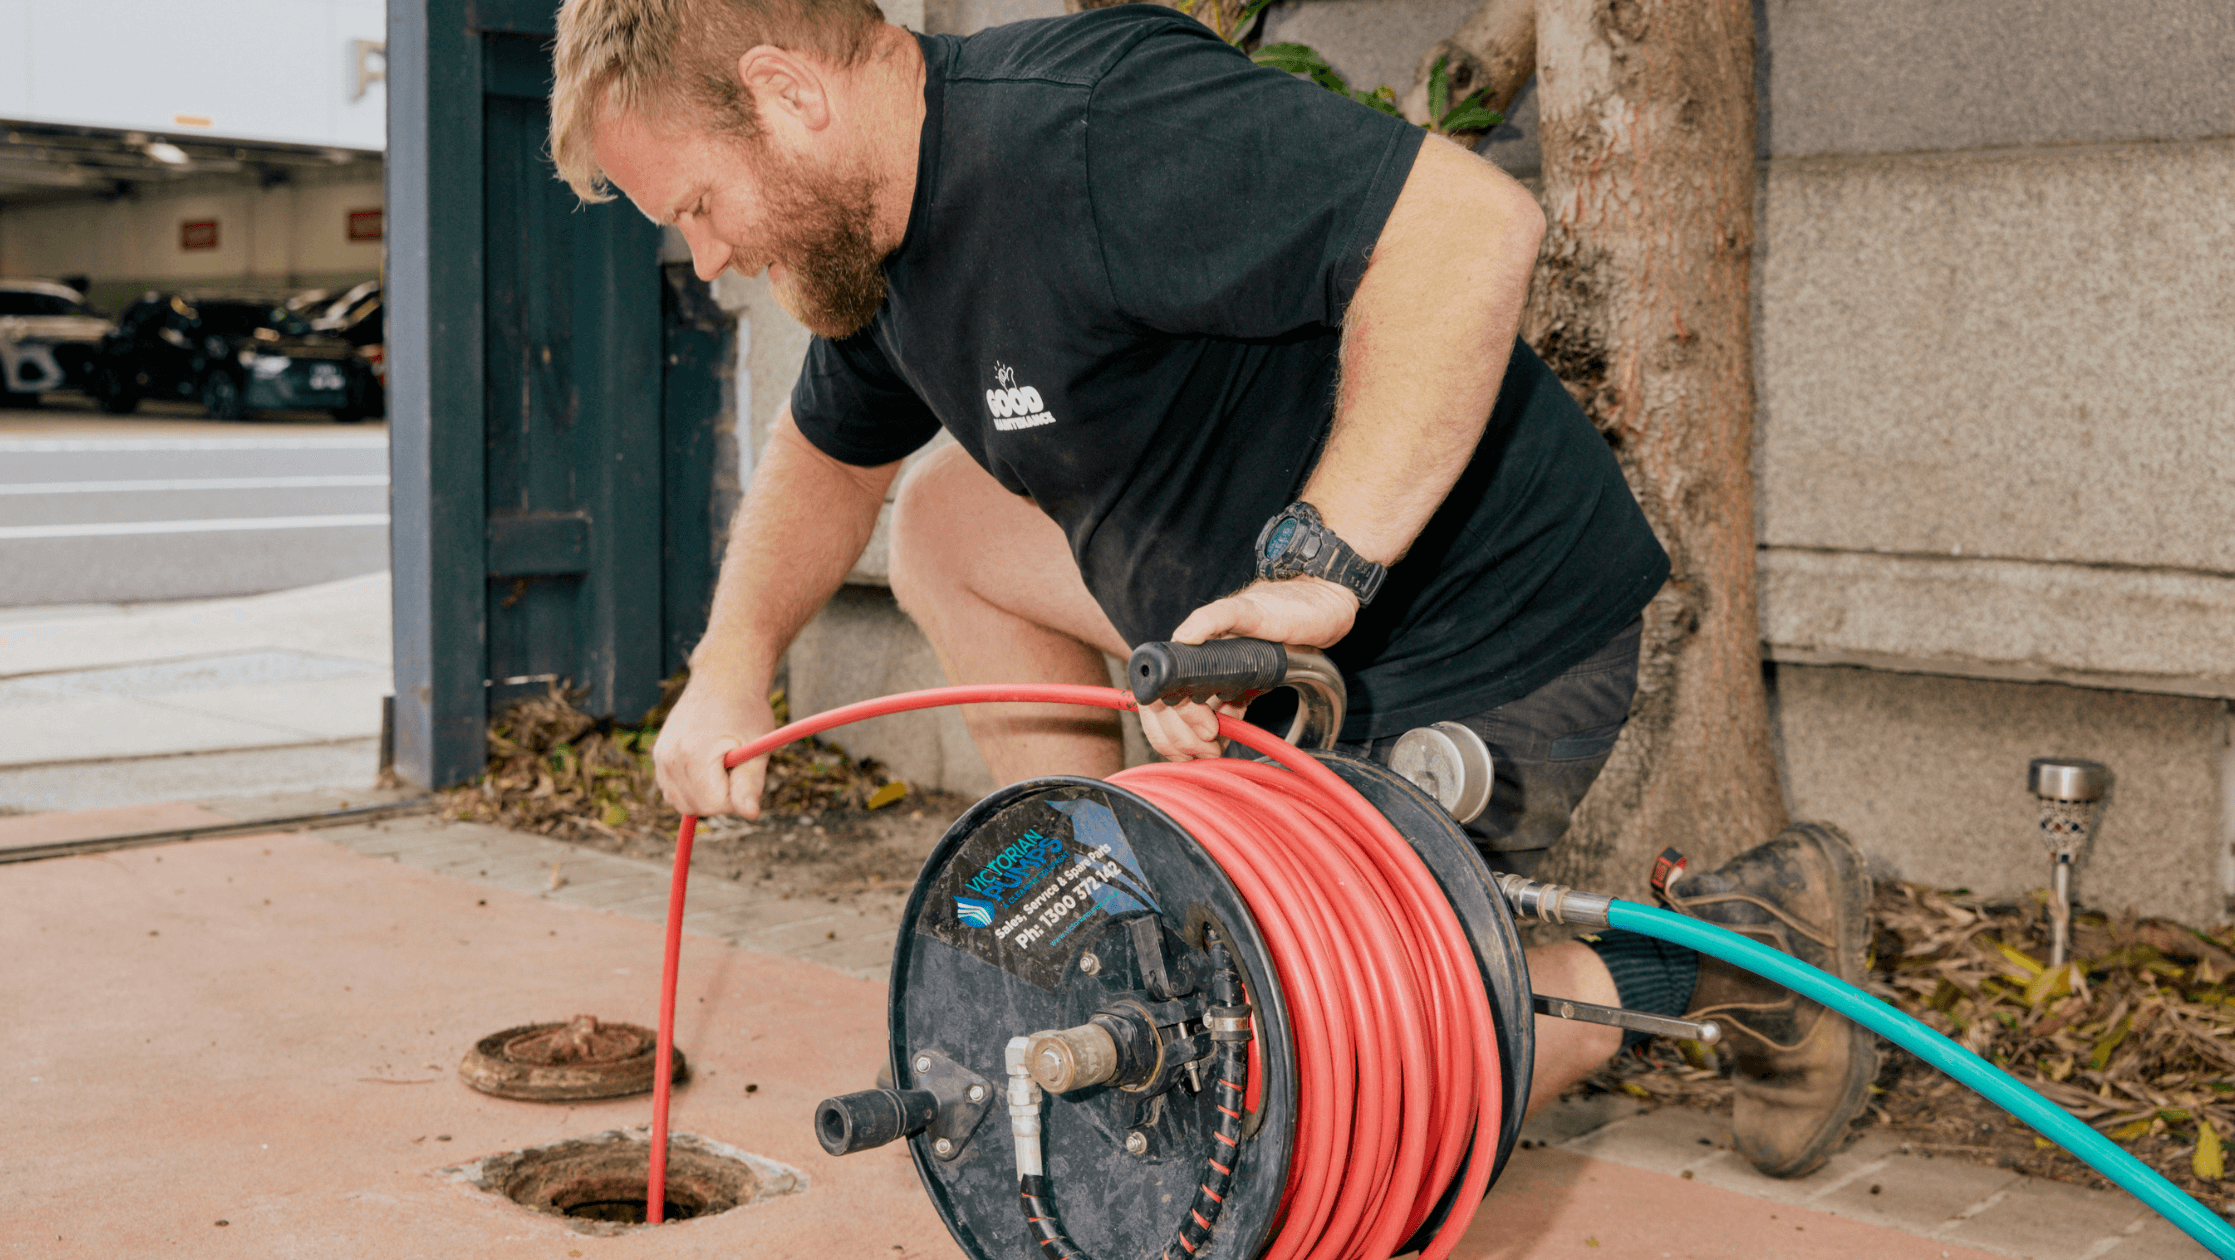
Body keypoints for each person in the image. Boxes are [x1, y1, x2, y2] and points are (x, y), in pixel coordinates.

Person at [550, 0, 1875, 1178]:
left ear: (789, 96)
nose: (709, 258)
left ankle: (1735, 949)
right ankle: (1093, 920)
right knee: (946, 519)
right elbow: (828, 461)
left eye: (698, 206)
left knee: (1300, 1081)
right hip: (1238, 648)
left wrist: (1317, 570)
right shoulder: (872, 247)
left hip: (1481, 626)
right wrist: (729, 669)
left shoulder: (1087, 128)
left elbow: (1472, 229)